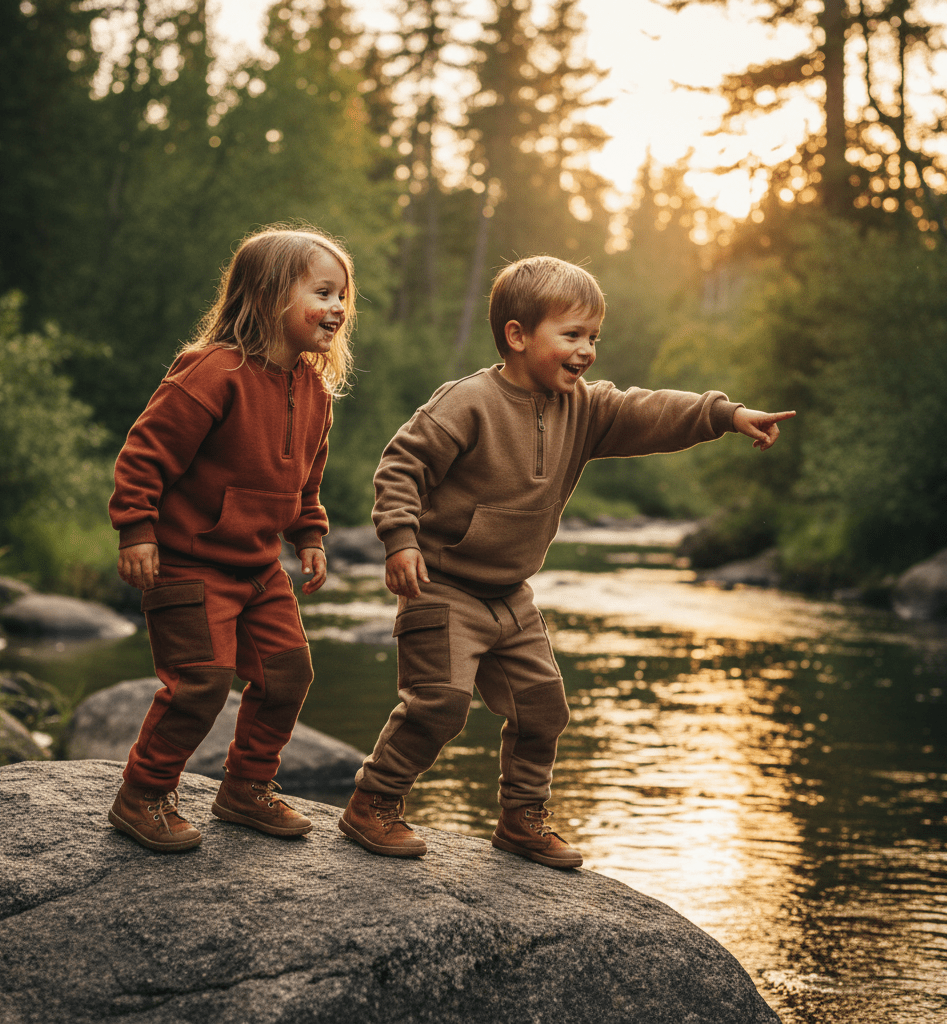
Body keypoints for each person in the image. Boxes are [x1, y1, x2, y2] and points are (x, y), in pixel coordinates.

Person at [339, 254, 795, 869]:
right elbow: (402, 465)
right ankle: (374, 802)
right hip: (442, 585)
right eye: (572, 335)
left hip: (511, 596)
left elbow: (648, 410)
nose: (586, 351)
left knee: (544, 706)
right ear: (518, 336)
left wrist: (724, 415)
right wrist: (399, 540)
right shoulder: (468, 401)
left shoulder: (584, 408)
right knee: (440, 702)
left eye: (594, 338)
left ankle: (522, 819)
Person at [107, 224, 356, 852]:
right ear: (270, 294)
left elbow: (307, 478)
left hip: (258, 569)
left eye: (342, 296)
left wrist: (312, 538)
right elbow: (145, 453)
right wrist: (136, 528)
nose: (337, 308)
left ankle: (245, 789)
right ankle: (143, 794)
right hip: (189, 566)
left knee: (288, 673)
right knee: (200, 682)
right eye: (322, 293)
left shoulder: (315, 389)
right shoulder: (214, 371)